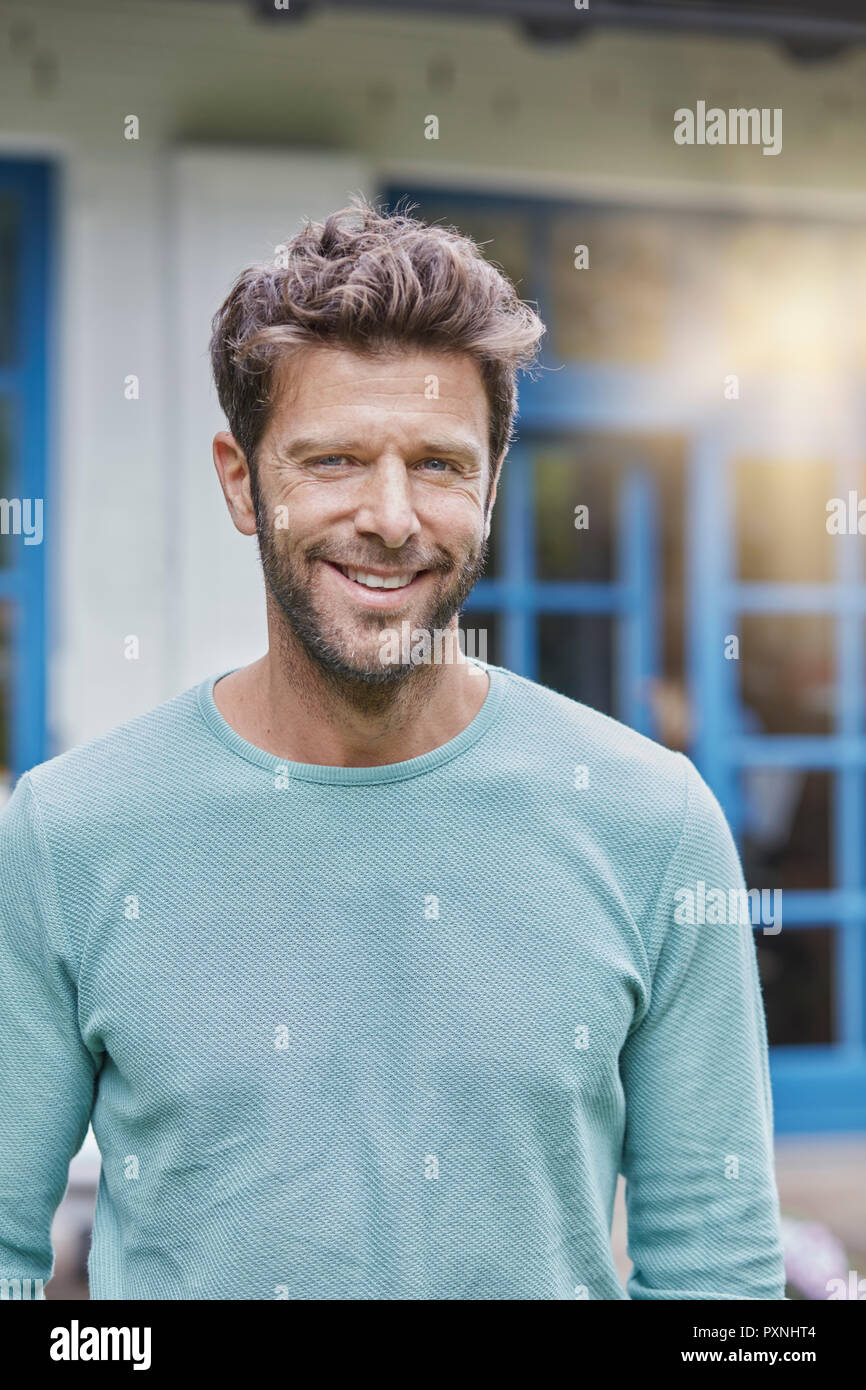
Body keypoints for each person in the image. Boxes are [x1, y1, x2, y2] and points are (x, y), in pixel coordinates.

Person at [0, 198, 785, 1300]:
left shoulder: (651, 822)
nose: (390, 516)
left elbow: (722, 1278)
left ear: (492, 485)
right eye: (330, 459)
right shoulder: (68, 833)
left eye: (437, 464)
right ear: (241, 479)